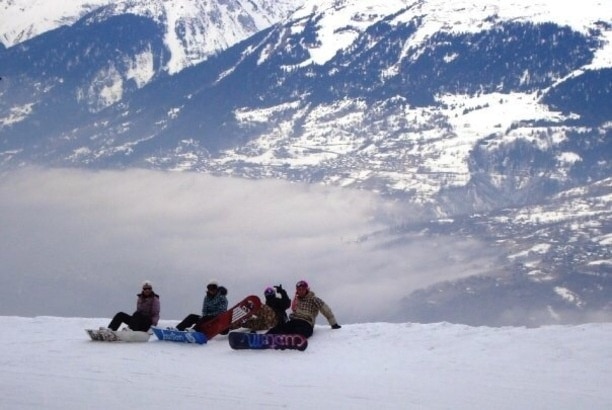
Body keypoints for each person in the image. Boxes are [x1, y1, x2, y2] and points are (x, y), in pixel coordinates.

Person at [266, 280, 341, 338]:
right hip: (295, 320)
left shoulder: (313, 299)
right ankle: (265, 338)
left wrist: (333, 324)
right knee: (279, 328)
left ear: (306, 289)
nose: (301, 291)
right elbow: (286, 305)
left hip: (306, 322)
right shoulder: (297, 300)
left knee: (301, 331)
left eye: (302, 289)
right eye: (299, 289)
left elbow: (325, 309)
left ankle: (292, 338)